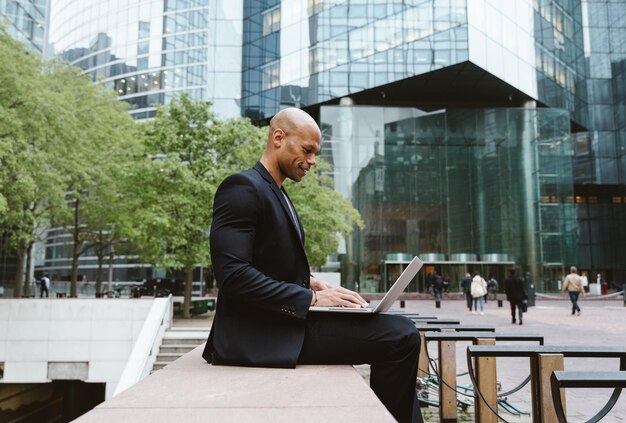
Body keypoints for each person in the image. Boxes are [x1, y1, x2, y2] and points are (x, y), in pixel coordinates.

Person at [202, 108, 423, 423]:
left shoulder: (277, 193)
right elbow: (234, 276)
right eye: (307, 150)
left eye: (315, 153)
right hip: (261, 333)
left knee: (401, 329)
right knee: (401, 336)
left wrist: (310, 282)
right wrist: (313, 299)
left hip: (283, 321)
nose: (312, 160)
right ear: (279, 138)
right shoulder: (241, 188)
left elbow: (269, 263)